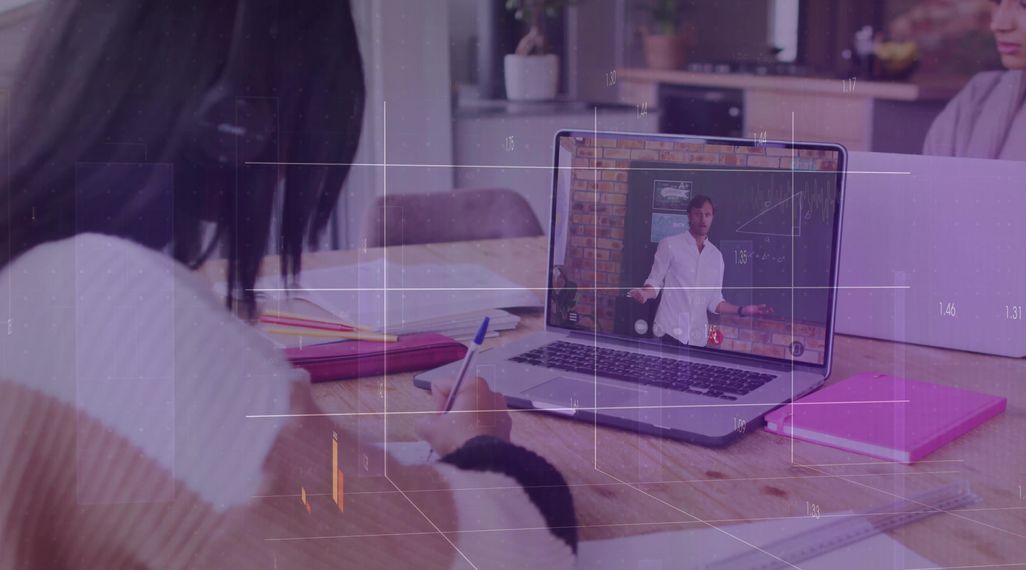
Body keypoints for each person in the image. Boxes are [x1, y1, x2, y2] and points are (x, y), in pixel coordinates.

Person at [0, 1, 576, 568]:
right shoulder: (113, 311)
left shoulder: (33, 282)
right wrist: (483, 443)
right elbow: (514, 549)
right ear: (234, 127)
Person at [923, 0, 1026, 326]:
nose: (999, 22)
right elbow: (922, 240)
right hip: (974, 349)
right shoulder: (973, 107)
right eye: (997, 2)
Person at [628, 195, 773, 346]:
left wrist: (743, 310)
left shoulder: (716, 257)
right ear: (689, 216)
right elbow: (655, 282)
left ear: (712, 218)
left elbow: (715, 302)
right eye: (698, 214)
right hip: (667, 332)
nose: (703, 219)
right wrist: (645, 293)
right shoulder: (670, 245)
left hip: (697, 339)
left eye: (707, 214)